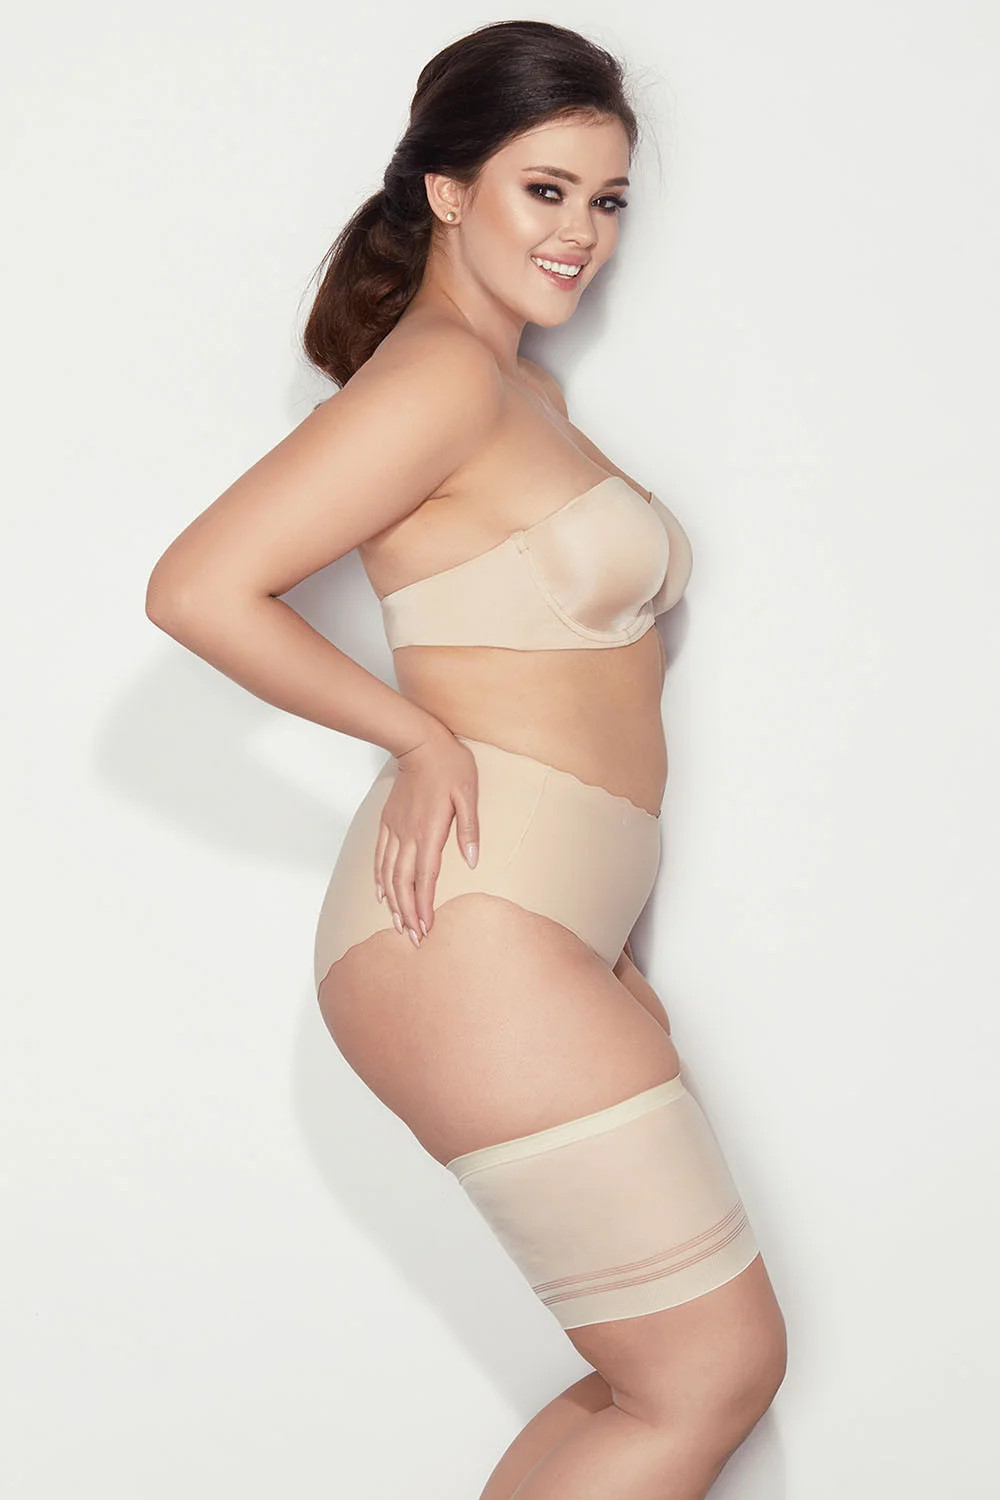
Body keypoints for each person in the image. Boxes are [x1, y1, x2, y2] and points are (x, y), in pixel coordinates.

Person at [145, 20, 787, 1499]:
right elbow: (197, 588)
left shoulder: (520, 392)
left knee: (652, 1383)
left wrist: (609, 940)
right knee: (705, 1376)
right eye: (544, 189)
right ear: (447, 189)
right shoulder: (438, 377)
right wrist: (414, 730)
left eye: (606, 200)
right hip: (470, 930)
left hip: (545, 930)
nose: (582, 234)